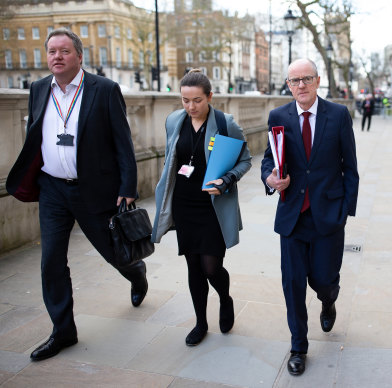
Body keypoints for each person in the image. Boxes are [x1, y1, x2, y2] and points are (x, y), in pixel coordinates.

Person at [6, 28, 147, 361]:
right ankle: (63, 331)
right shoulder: (39, 89)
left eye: (64, 51)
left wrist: (127, 188)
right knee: (51, 261)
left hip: (93, 190)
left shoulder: (105, 89)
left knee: (114, 252)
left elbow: (122, 142)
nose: (57, 56)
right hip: (52, 188)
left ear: (79, 56)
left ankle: (135, 272)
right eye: (52, 51)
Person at [261, 58, 359, 376]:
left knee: (324, 279)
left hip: (328, 216)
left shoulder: (338, 115)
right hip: (292, 216)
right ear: (288, 85)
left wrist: (345, 211)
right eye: (294, 80)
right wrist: (271, 179)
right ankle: (298, 347)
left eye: (306, 79)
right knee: (292, 284)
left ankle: (328, 299)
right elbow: (268, 161)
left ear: (317, 81)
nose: (300, 85)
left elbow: (350, 168)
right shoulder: (278, 116)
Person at [151, 69, 251, 347]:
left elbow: (245, 160)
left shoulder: (224, 122)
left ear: (209, 96)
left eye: (197, 100)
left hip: (212, 205)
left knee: (211, 266)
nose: (191, 107)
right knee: (193, 265)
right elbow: (172, 158)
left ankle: (225, 298)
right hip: (184, 203)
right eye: (185, 100)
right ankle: (200, 323)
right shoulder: (174, 120)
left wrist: (227, 179)